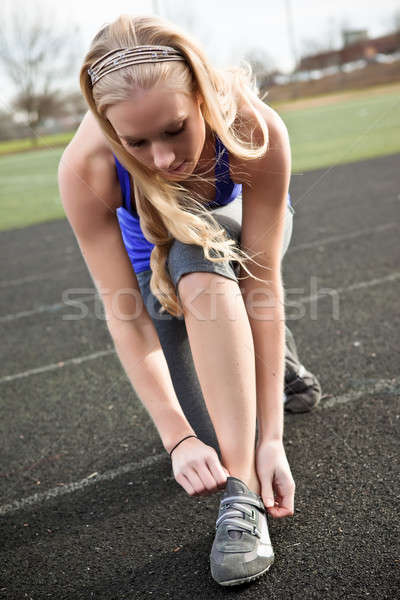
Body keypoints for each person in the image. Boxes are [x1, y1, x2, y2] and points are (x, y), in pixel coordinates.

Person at [58, 13, 322, 587]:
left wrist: (268, 441)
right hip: (149, 256)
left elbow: (263, 282)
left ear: (201, 96)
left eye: (175, 129)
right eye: (136, 142)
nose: (161, 160)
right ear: (109, 132)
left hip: (233, 238)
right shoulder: (88, 168)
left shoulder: (254, 130)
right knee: (204, 420)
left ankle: (244, 500)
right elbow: (125, 315)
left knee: (195, 258)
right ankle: (254, 361)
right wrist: (176, 436)